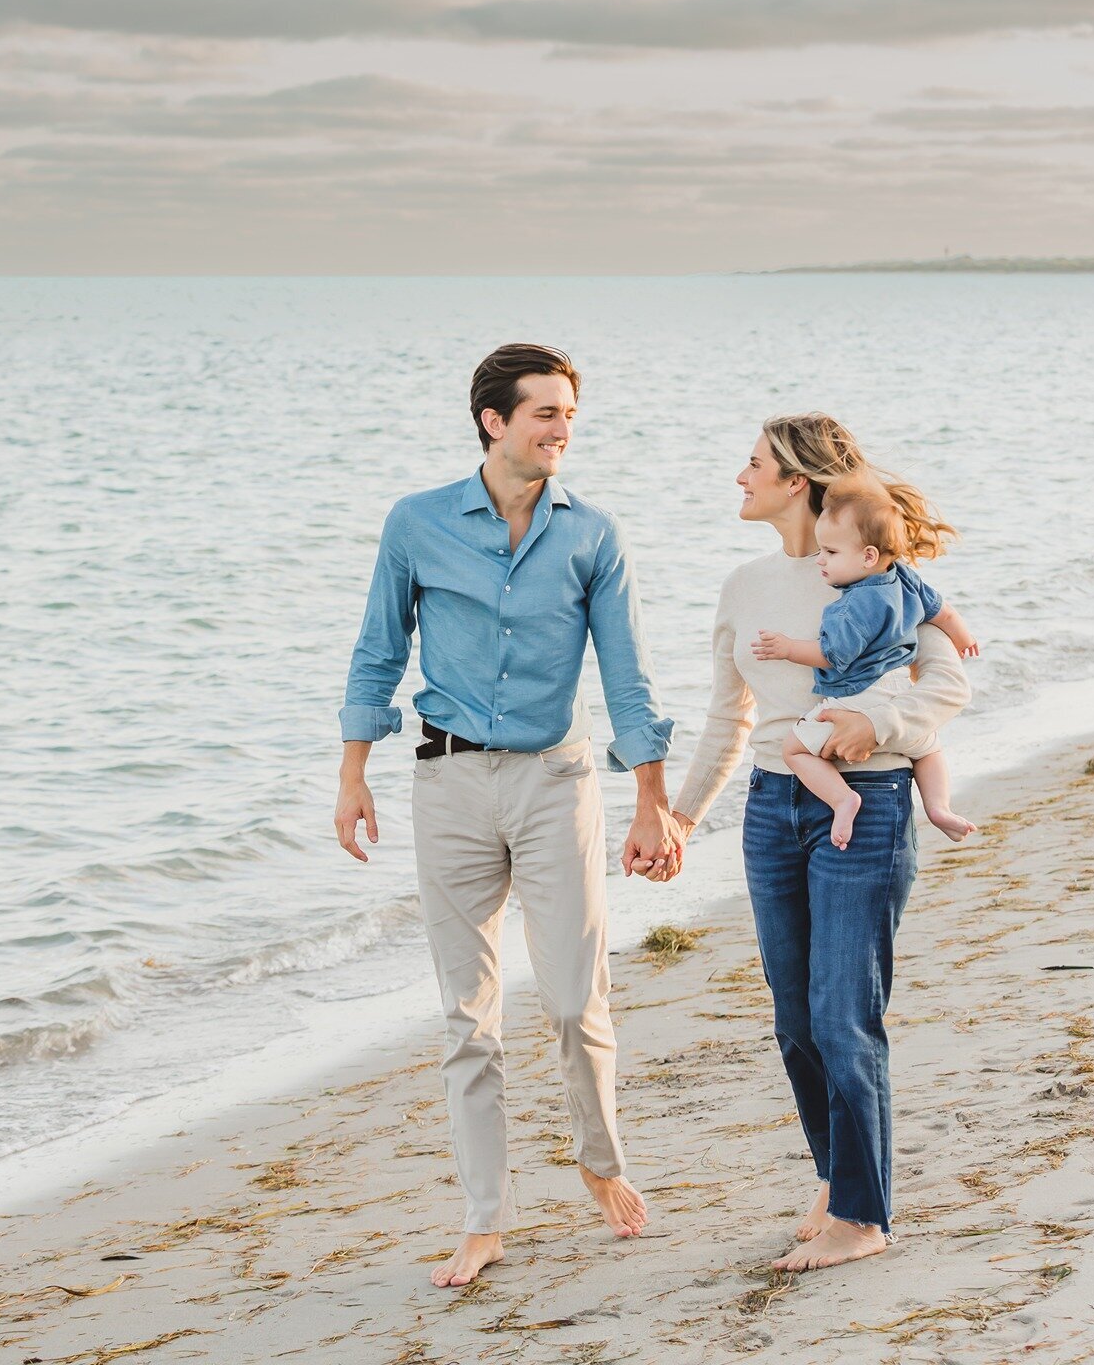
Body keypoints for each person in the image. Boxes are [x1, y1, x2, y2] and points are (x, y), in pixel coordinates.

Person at [332, 344, 684, 1290]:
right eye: (546, 414)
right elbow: (376, 651)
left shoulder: (593, 536)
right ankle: (485, 1219)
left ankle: (599, 1160)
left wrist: (654, 800)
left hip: (556, 783)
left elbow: (629, 676)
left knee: (576, 999)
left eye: (569, 413)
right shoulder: (416, 524)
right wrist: (352, 774)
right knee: (468, 1018)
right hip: (445, 785)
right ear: (495, 421)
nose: (562, 429)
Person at [671, 413, 971, 1273]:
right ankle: (840, 1178)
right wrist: (682, 816)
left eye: (754, 463)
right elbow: (731, 717)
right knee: (796, 1021)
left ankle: (863, 1218)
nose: (740, 476)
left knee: (845, 1015)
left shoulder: (881, 572)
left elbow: (946, 686)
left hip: (866, 803)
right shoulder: (744, 585)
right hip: (774, 805)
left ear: (795, 479)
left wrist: (868, 719)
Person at [752, 471, 979, 849]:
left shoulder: (853, 606)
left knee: (793, 749)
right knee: (928, 749)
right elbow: (942, 612)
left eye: (831, 553)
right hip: (897, 688)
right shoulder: (904, 578)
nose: (820, 560)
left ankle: (843, 799)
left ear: (868, 555)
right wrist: (963, 637)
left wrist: (788, 647)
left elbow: (832, 656)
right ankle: (939, 808)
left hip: (857, 697)